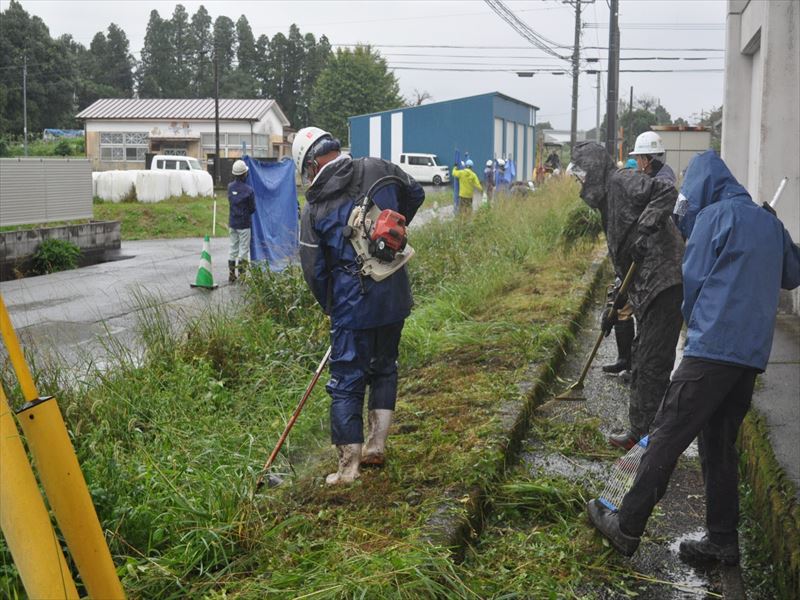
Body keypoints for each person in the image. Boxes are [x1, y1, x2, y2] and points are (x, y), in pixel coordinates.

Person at [587, 150, 800, 565]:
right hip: (749, 358)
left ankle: (626, 524)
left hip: (712, 350)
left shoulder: (715, 218)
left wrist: (693, 328)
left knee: (667, 433)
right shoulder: (765, 223)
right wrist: (775, 229)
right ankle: (722, 541)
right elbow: (792, 274)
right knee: (719, 445)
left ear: (704, 186)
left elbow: (694, 279)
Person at [293, 126, 425, 485]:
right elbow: (415, 194)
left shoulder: (314, 206)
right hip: (394, 290)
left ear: (311, 164)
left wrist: (332, 306)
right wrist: (389, 240)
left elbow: (314, 272)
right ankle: (376, 446)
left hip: (353, 303)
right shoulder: (380, 168)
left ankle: (348, 469)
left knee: (347, 381)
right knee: (385, 367)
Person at [568, 141, 684, 450]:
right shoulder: (608, 203)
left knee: (650, 362)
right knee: (644, 356)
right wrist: (615, 305)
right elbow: (625, 262)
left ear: (593, 171)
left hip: (664, 281)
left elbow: (666, 191)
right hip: (646, 286)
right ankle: (647, 432)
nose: (580, 184)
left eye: (581, 176)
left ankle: (647, 438)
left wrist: (646, 229)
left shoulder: (621, 181)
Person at [227, 159, 256, 283]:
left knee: (233, 248)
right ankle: (242, 276)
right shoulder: (249, 190)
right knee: (244, 250)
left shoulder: (229, 187)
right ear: (245, 174)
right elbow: (252, 208)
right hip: (244, 224)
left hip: (232, 223)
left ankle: (231, 275)